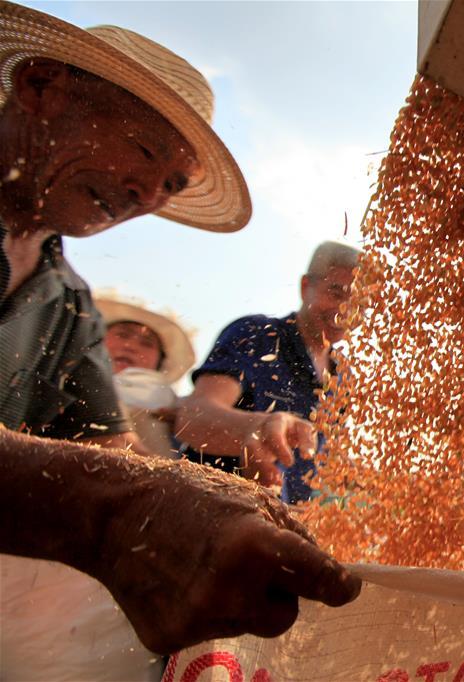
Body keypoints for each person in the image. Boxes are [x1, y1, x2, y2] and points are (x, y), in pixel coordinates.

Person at [0, 3, 360, 678]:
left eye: (170, 184)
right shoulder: (259, 336)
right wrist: (114, 512)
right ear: (41, 86)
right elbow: (148, 456)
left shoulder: (67, 302)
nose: (145, 192)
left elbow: (113, 450)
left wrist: (215, 499)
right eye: (142, 151)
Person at [176, 240, 360, 503]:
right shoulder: (256, 335)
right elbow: (193, 416)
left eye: (360, 303)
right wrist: (254, 429)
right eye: (336, 293)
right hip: (213, 506)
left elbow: (324, 458)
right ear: (306, 286)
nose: (346, 312)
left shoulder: (343, 376)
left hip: (290, 522)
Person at [97, 296, 196, 459]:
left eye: (147, 343)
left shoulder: (166, 398)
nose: (130, 346)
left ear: (160, 362)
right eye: (122, 335)